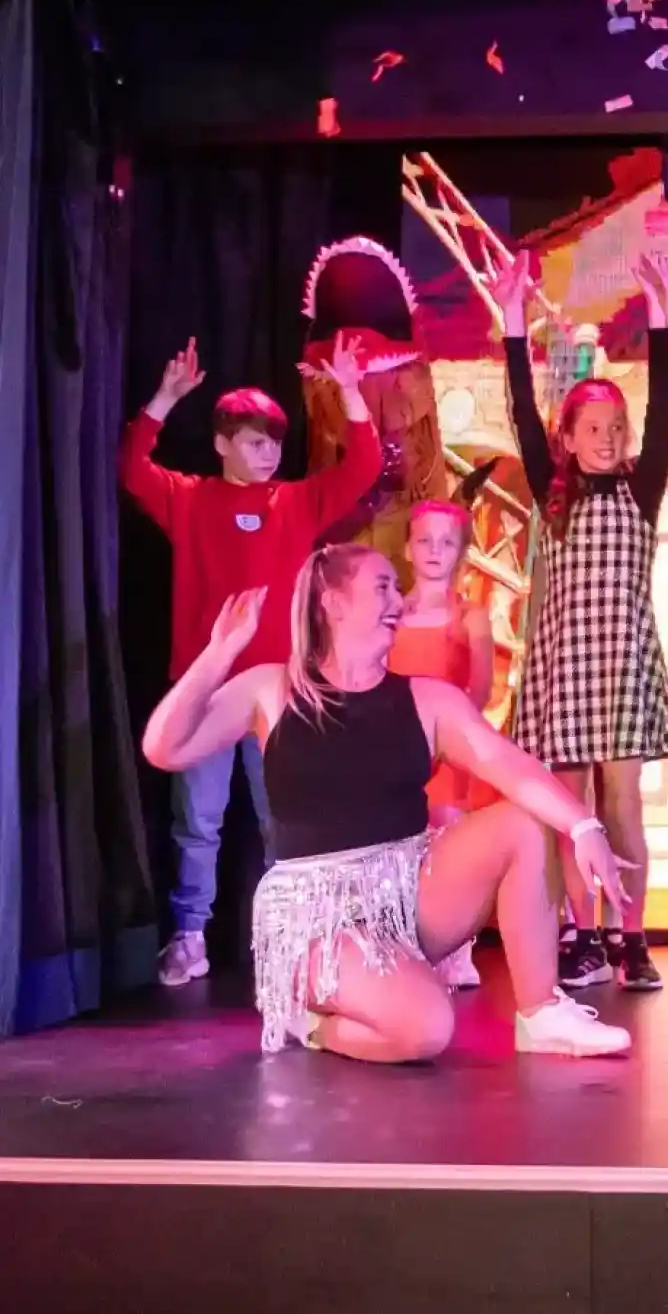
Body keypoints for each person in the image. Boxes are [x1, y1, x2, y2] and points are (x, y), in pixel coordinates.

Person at [140, 545, 632, 1062]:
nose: (398, 599)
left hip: (404, 894)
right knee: (426, 1030)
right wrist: (220, 652)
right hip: (316, 920)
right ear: (332, 603)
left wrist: (583, 827)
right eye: (382, 587)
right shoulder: (274, 689)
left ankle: (543, 1013)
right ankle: (308, 1025)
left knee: (523, 825)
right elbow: (163, 747)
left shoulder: (427, 700)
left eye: (396, 588)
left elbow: (507, 763)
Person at [122, 334, 382, 989]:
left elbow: (364, 466)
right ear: (222, 444)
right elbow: (131, 467)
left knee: (282, 820)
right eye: (253, 440)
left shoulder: (295, 501)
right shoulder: (189, 499)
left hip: (279, 693)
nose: (267, 453)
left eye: (273, 441)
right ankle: (189, 938)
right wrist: (164, 399)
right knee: (197, 822)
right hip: (207, 689)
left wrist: (350, 391)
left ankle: (285, 945)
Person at [496, 249, 668, 994]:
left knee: (622, 802)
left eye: (617, 426)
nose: (607, 437)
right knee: (571, 808)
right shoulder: (557, 495)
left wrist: (666, 317)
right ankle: (582, 932)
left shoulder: (640, 490)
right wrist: (512, 321)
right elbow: (518, 410)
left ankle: (631, 933)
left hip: (624, 664)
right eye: (591, 427)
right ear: (568, 437)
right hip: (565, 664)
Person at [389, 497, 499, 988]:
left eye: (447, 542)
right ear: (408, 548)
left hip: (449, 751)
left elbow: (480, 685)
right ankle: (402, 943)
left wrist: (453, 736)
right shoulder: (391, 612)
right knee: (397, 849)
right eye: (425, 541)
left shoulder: (469, 615)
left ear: (460, 552)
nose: (435, 550)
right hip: (396, 751)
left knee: (451, 847)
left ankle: (456, 946)